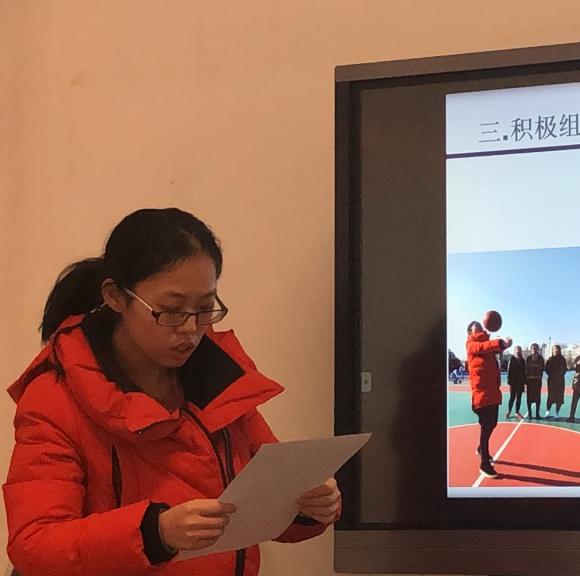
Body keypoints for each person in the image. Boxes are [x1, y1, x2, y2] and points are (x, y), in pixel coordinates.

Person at [4, 208, 341, 576]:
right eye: (171, 310)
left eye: (205, 308)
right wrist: (155, 532)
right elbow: (35, 546)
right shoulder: (57, 398)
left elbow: (262, 498)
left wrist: (305, 506)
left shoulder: (218, 377)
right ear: (116, 297)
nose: (191, 330)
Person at [466, 321, 511, 478]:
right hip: (481, 396)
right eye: (475, 326)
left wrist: (505, 344)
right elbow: (484, 347)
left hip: (492, 393)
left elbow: (493, 347)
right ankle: (484, 464)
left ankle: (481, 449)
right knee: (485, 428)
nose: (478, 326)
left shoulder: (488, 344)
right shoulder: (471, 345)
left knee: (492, 424)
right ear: (470, 332)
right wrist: (500, 342)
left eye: (479, 325)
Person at [544, 345, 568, 419]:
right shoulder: (550, 359)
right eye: (554, 349)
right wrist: (552, 375)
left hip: (560, 381)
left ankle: (557, 412)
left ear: (559, 350)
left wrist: (559, 375)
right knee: (550, 396)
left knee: (559, 397)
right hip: (551, 381)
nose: (556, 350)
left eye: (557, 349)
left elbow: (565, 369)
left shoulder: (562, 359)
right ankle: (548, 411)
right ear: (552, 350)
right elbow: (546, 369)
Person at [524, 343, 545, 419]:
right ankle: (530, 413)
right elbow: (525, 369)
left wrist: (536, 367)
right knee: (529, 398)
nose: (535, 349)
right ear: (531, 349)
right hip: (529, 381)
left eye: (536, 348)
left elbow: (542, 368)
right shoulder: (528, 358)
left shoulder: (541, 358)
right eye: (533, 348)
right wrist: (525, 382)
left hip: (537, 380)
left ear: (538, 349)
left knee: (538, 398)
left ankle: (537, 414)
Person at [505, 346, 526, 419]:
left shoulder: (523, 360)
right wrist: (509, 380)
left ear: (521, 351)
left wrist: (524, 381)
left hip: (520, 382)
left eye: (519, 350)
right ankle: (509, 411)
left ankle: (517, 412)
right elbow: (509, 371)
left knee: (519, 398)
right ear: (514, 351)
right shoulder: (512, 359)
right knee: (512, 397)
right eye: (517, 350)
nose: (518, 351)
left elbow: (524, 371)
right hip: (513, 382)